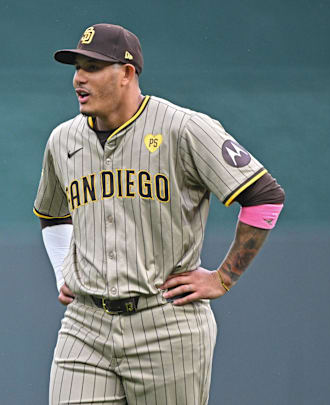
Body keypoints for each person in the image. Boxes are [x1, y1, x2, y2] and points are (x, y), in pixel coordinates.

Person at [34, 24, 285, 405]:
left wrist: (223, 279)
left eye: (93, 67)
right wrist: (61, 272)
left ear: (127, 73)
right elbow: (52, 215)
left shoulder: (184, 128)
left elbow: (264, 196)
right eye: (76, 67)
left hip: (165, 324)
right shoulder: (63, 140)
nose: (78, 78)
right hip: (85, 325)